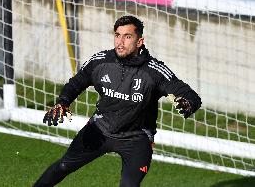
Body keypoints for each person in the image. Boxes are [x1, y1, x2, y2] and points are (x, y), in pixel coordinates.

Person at [33, 15, 202, 187]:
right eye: (117, 35)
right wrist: (63, 102)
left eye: (127, 36)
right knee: (63, 166)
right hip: (100, 129)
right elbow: (76, 83)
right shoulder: (100, 61)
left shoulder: (154, 71)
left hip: (136, 137)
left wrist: (188, 103)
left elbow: (190, 95)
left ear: (139, 41)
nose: (120, 42)